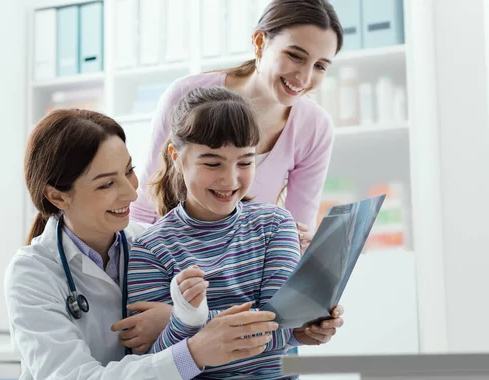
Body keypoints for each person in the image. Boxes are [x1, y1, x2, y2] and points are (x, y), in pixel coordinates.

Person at [4, 109, 281, 380]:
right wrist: (194, 352)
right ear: (57, 197)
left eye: (129, 171)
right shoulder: (32, 273)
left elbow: (226, 307)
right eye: (106, 184)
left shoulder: (153, 243)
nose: (131, 192)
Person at [127, 86, 342, 380]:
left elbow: (279, 328)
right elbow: (154, 361)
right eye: (212, 163)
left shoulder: (275, 225)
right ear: (176, 156)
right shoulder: (149, 247)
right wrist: (187, 322)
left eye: (245, 162)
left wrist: (180, 319)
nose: (230, 179)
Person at [130, 0, 344, 251]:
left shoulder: (315, 127)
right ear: (260, 42)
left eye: (320, 66)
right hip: (168, 258)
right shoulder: (187, 94)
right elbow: (144, 206)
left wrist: (301, 245)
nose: (304, 78)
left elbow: (297, 228)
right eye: (295, 56)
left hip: (245, 269)